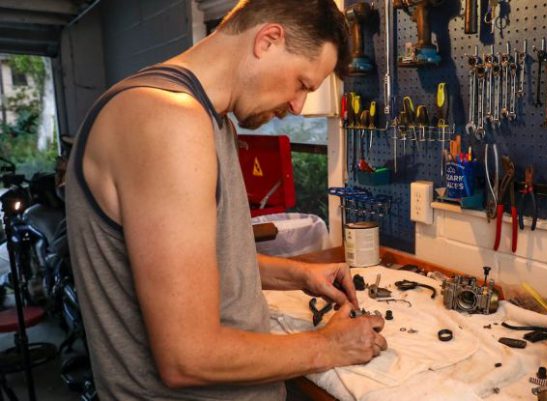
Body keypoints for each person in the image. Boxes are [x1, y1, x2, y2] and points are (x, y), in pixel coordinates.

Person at [64, 1, 387, 399]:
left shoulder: (206, 117)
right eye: (302, 83)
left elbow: (189, 266)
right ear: (268, 40)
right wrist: (331, 346)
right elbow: (188, 358)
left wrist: (298, 274)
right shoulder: (168, 120)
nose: (297, 105)